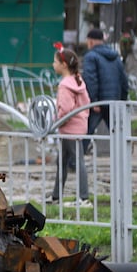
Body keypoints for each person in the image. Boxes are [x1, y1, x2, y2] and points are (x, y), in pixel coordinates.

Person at [48, 44, 91, 207]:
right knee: (62, 161)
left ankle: (84, 197)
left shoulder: (65, 85)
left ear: (63, 65)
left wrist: (55, 121)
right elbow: (86, 103)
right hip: (76, 127)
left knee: (76, 162)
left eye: (55, 61)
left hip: (69, 129)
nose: (53, 64)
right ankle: (56, 196)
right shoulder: (77, 81)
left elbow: (65, 109)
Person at [82, 28, 129, 153]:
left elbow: (90, 80)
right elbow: (124, 80)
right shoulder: (115, 57)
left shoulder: (90, 57)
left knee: (85, 132)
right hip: (114, 102)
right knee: (118, 134)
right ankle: (123, 159)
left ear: (91, 41)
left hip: (98, 103)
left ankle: (74, 161)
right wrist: (122, 100)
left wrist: (93, 100)